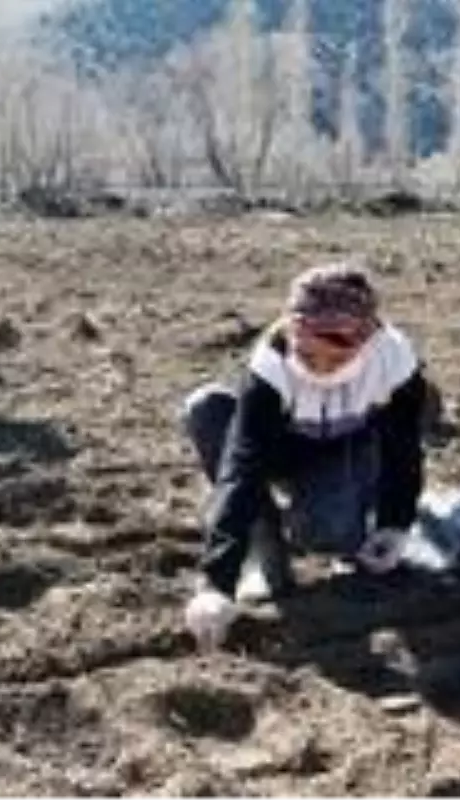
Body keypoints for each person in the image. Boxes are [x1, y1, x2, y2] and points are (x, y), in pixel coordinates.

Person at [179, 261, 429, 649]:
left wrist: (395, 522)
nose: (321, 368)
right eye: (309, 355)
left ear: (366, 338)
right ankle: (266, 557)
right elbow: (241, 466)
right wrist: (216, 581)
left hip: (345, 450)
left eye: (336, 357)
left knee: (328, 536)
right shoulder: (270, 363)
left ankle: (414, 524)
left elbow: (403, 448)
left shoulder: (393, 358)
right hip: (281, 446)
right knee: (206, 410)